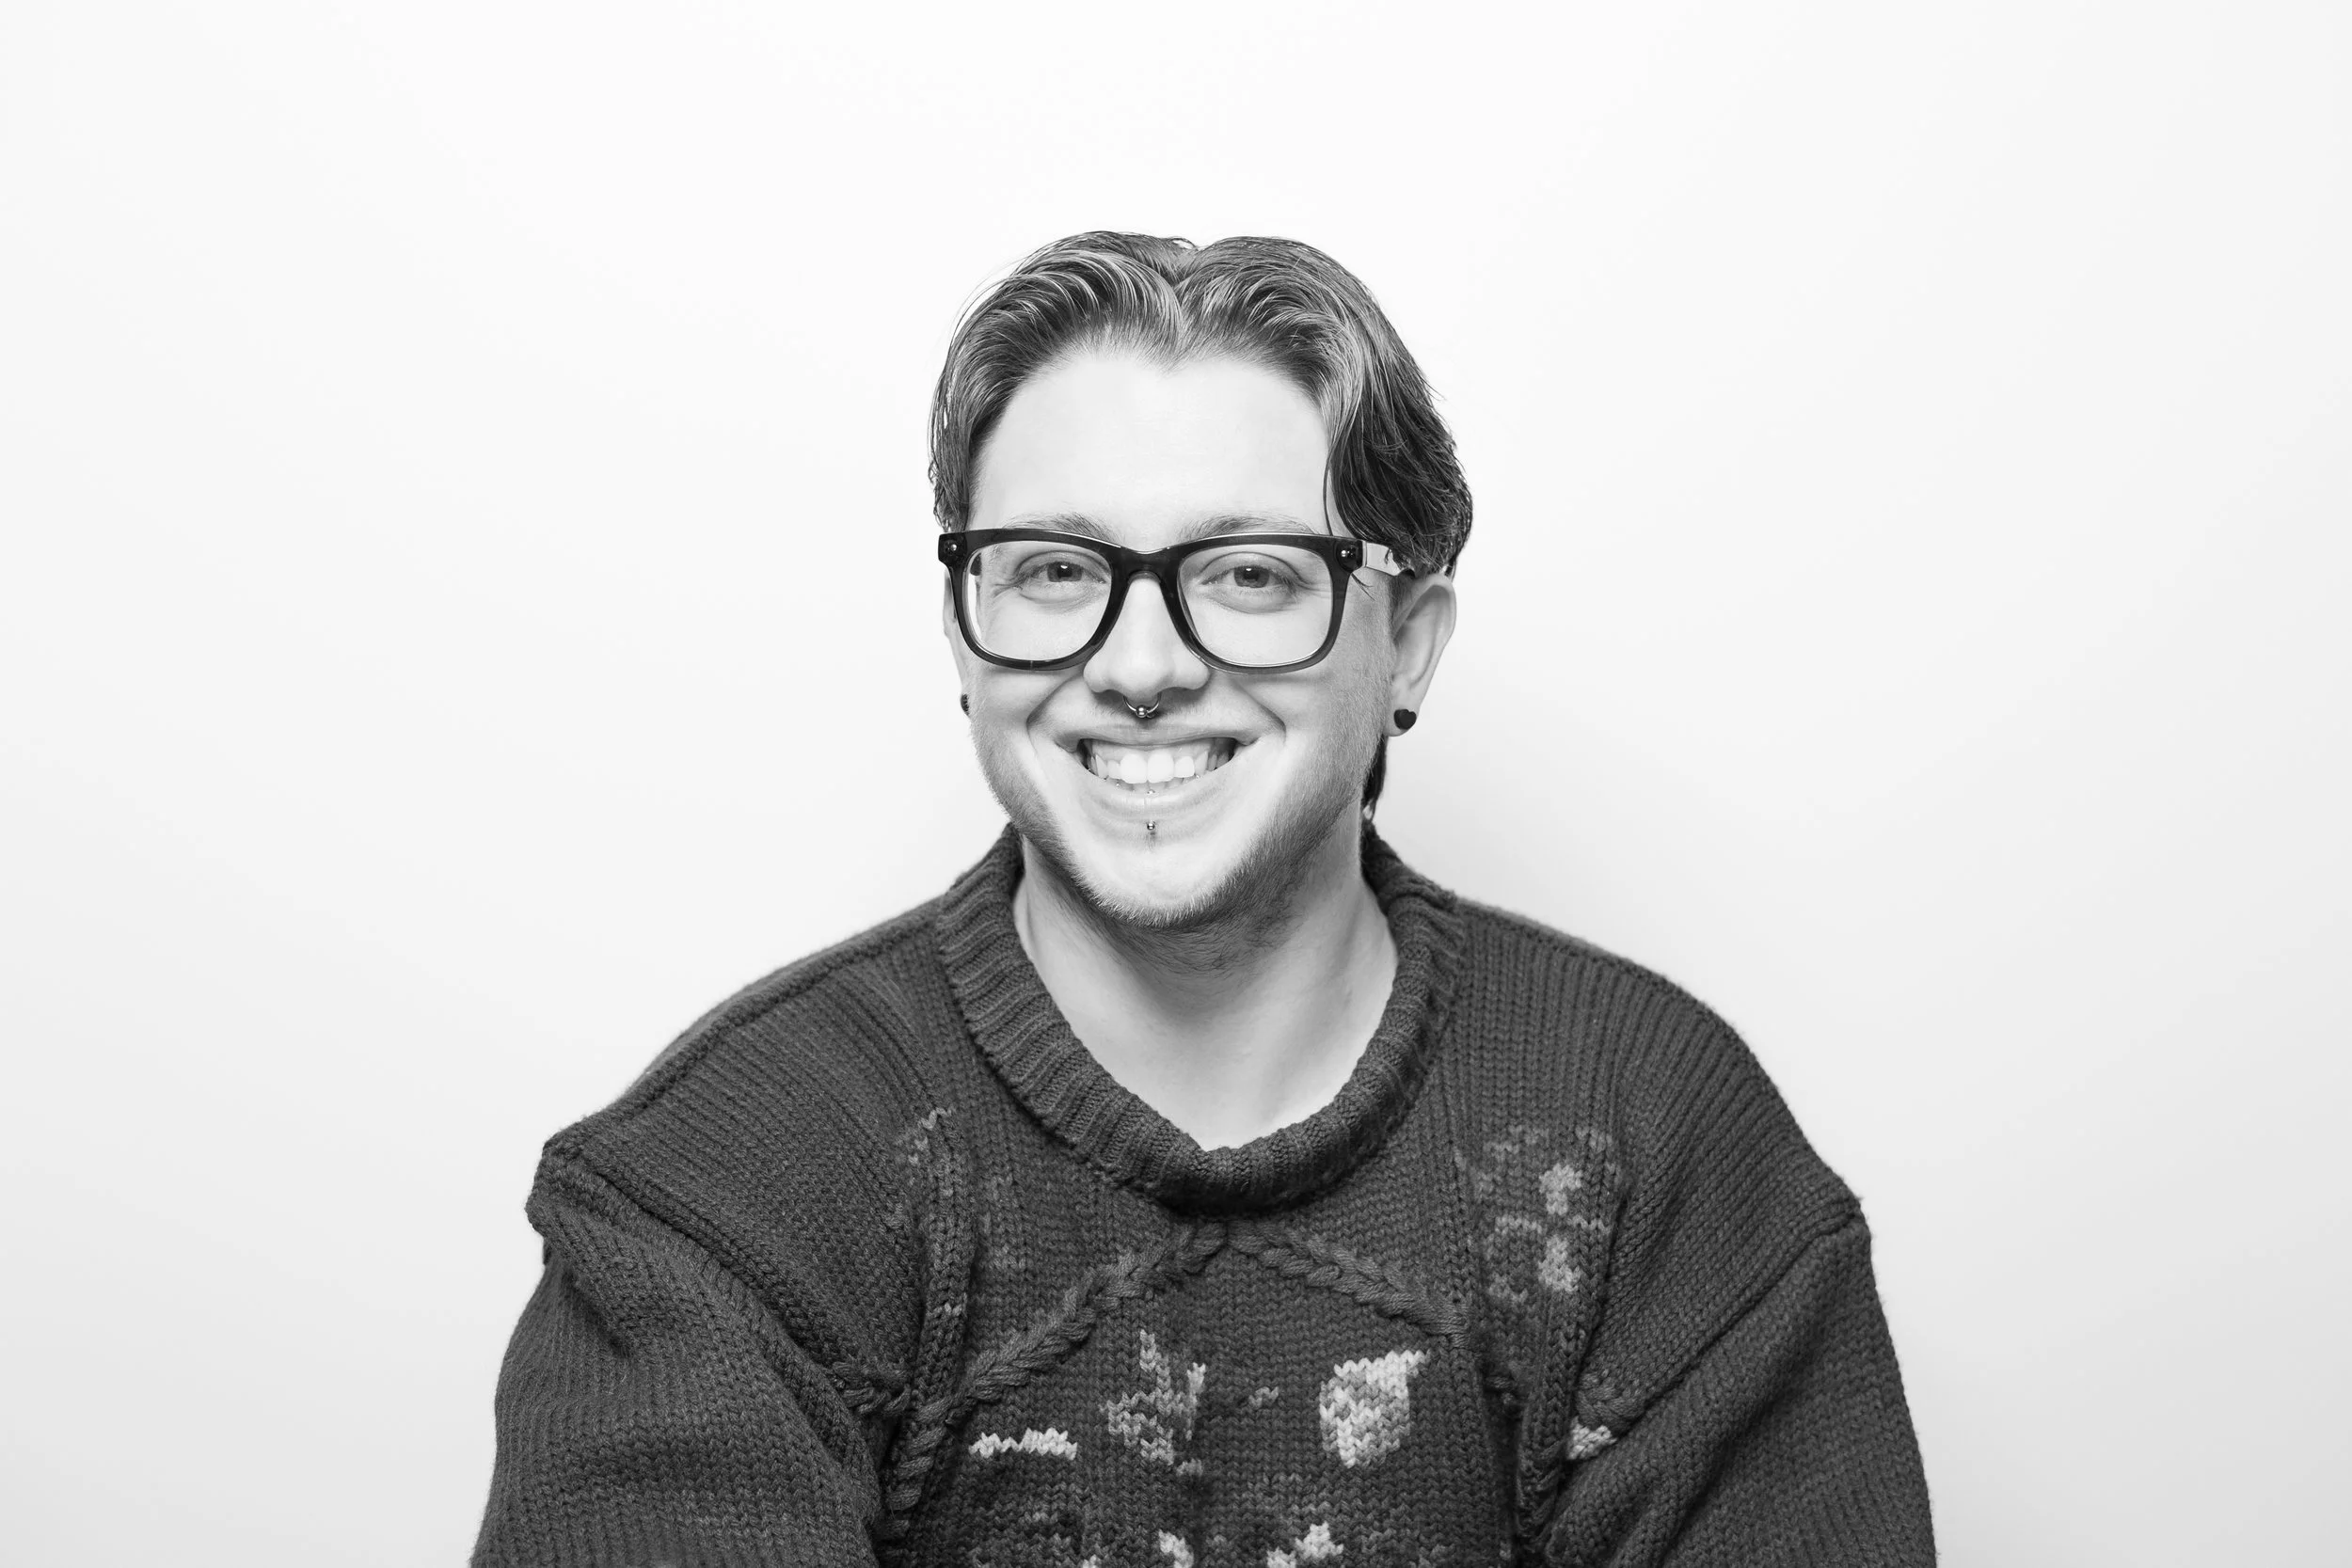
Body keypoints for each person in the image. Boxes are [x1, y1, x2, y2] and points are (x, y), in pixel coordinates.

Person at [472, 232, 1934, 1567]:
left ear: (1408, 643)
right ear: (966, 636)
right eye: (1056, 569)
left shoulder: (1658, 1146)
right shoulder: (729, 1192)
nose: (1142, 665)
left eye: (1245, 573)